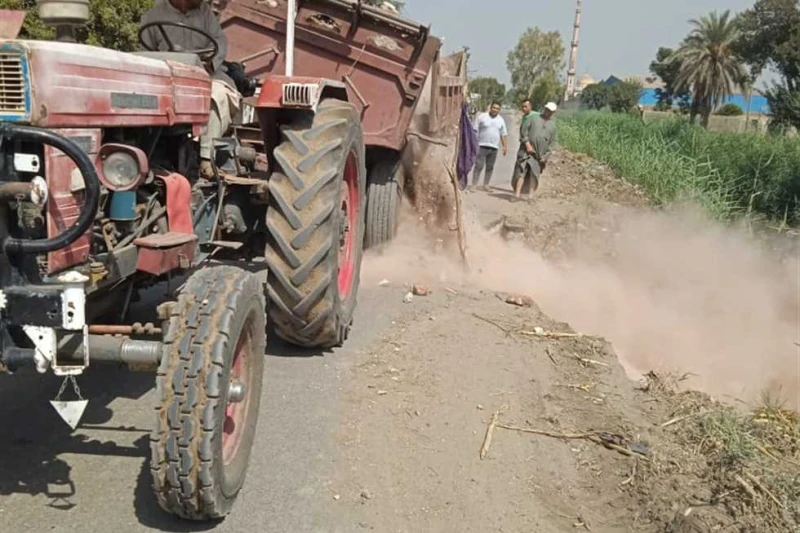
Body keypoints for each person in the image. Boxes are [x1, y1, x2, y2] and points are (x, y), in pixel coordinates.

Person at [140, 0, 240, 179]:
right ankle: (143, 153)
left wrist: (209, 64)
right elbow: (145, 49)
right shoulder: (154, 15)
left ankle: (206, 158)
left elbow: (220, 43)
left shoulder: (205, 14)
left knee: (217, 95)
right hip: (167, 74)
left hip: (204, 72)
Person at [513, 101, 557, 201]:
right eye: (547, 110)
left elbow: (552, 144)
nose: (548, 112)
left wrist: (544, 157)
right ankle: (516, 195)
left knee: (534, 175)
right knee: (521, 172)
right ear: (544, 108)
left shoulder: (552, 127)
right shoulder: (533, 118)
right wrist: (527, 144)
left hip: (538, 155)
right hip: (526, 151)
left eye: (551, 111)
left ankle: (530, 197)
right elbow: (523, 131)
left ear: (553, 113)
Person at [470, 101, 508, 190]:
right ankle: (474, 184)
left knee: (490, 167)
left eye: (497, 109)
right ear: (490, 107)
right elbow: (475, 130)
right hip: (481, 145)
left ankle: (486, 184)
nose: (495, 110)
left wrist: (505, 146)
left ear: (499, 110)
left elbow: (503, 134)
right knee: (479, 165)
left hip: (494, 147)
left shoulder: (501, 120)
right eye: (494, 107)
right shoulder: (482, 117)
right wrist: (473, 143)